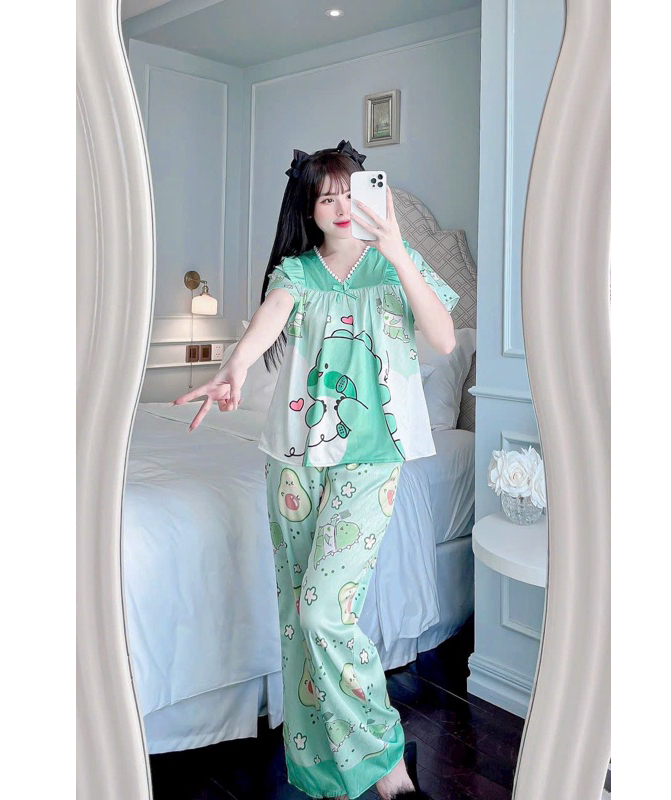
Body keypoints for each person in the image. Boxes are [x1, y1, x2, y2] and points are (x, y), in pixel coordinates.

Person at [174, 140, 460, 800]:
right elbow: (267, 323)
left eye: (348, 192)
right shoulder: (298, 273)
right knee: (297, 619)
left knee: (323, 615)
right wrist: (235, 367)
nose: (339, 205)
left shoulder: (393, 265)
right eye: (325, 196)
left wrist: (397, 251)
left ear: (370, 195)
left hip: (371, 459)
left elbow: (444, 339)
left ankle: (385, 762)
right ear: (309, 207)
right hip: (293, 460)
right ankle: (319, 771)